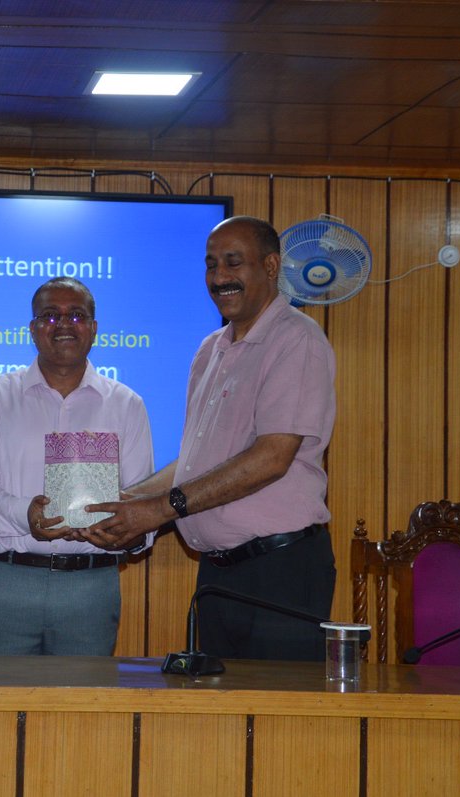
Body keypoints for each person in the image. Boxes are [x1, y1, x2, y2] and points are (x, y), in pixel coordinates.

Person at [83, 216, 336, 661]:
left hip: (280, 571)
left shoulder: (297, 340)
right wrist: (121, 501)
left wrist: (159, 509)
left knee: (279, 721)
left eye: (233, 263)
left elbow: (272, 457)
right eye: (211, 265)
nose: (219, 277)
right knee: (223, 720)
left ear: (271, 265)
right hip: (219, 576)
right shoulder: (209, 350)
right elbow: (195, 464)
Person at [0, 276, 154, 655]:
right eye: (49, 316)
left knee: (80, 713)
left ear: (94, 328)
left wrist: (122, 530)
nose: (63, 324)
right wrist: (24, 513)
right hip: (7, 581)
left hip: (90, 588)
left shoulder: (127, 404)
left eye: (76, 315)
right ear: (32, 329)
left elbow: (140, 497)